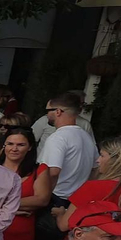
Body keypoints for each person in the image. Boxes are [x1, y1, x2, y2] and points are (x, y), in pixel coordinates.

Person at [37, 93, 98, 232]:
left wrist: (42, 199)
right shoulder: (86, 136)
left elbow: (52, 171)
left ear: (58, 112)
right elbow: (96, 169)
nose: (47, 115)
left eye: (48, 111)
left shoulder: (58, 138)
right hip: (76, 201)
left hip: (55, 199)